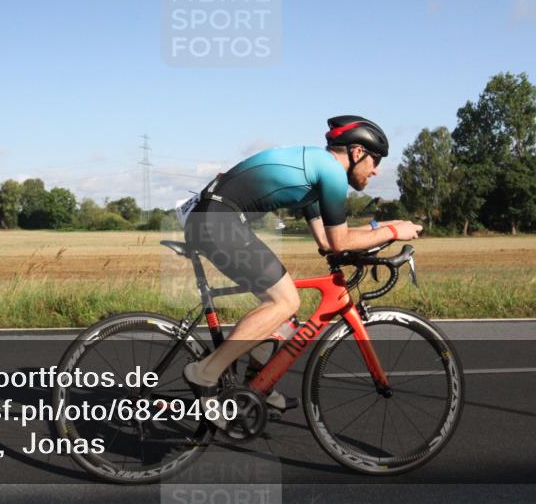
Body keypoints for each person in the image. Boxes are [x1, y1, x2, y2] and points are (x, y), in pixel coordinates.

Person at [181, 115, 424, 426]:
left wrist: (377, 230)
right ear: (357, 152)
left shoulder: (314, 169)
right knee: (284, 301)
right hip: (219, 221)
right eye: (375, 160)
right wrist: (392, 231)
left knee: (285, 312)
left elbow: (326, 241)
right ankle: (204, 373)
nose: (376, 170)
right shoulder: (332, 172)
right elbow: (340, 242)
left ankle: (259, 385)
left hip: (214, 216)